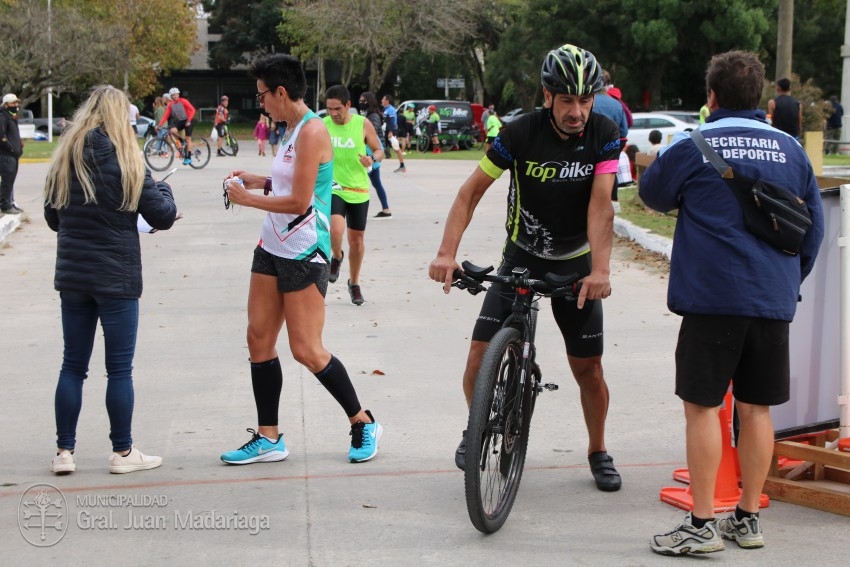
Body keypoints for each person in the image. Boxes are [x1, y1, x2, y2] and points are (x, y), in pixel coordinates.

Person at [640, 50, 824, 556]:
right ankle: (746, 517)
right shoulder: (791, 149)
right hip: (770, 302)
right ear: (764, 99)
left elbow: (652, 196)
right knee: (756, 409)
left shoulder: (693, 144)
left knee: (702, 409)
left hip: (712, 301)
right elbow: (812, 235)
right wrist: (786, 283)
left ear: (711, 97)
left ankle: (701, 524)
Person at [428, 43, 623, 492]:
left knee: (588, 369)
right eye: (568, 100)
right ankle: (478, 425)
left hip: (577, 264)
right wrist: (446, 252)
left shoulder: (605, 133)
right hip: (521, 256)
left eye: (585, 100)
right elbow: (470, 192)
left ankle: (598, 449)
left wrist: (601, 270)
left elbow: (601, 204)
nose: (577, 111)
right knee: (479, 354)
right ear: (548, 95)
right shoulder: (518, 132)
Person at [219, 54, 382, 465]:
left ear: (281, 92)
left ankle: (363, 421)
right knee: (258, 339)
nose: (261, 104)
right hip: (271, 247)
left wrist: (246, 197)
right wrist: (256, 179)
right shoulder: (291, 130)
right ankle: (269, 437)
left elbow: (299, 201)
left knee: (307, 349)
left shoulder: (312, 132)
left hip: (305, 251)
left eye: (262, 96)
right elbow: (289, 180)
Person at [43, 85, 178, 475]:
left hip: (74, 277)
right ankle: (122, 452)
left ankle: (63, 452)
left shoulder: (65, 159)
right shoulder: (127, 160)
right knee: (119, 369)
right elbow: (163, 215)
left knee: (72, 365)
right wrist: (163, 186)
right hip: (116, 278)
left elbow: (54, 219)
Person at [323, 85, 385, 305]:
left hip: (358, 189)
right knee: (335, 229)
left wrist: (372, 159)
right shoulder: (323, 125)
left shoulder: (362, 124)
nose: (333, 113)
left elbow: (379, 150)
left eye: (337, 108)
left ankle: (354, 283)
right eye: (329, 109)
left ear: (348, 105)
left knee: (357, 242)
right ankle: (337, 255)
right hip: (334, 187)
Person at [359, 92, 392, 218]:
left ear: (369, 101)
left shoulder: (373, 116)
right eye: (360, 100)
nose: (361, 102)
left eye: (363, 101)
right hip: (371, 153)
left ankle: (385, 209)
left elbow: (371, 132)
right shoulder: (369, 114)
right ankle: (386, 209)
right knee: (376, 183)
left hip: (372, 153)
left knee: (365, 182)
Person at [159, 87, 196, 165]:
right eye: (173, 95)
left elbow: (193, 110)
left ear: (178, 95)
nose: (175, 96)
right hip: (182, 120)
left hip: (189, 119)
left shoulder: (183, 101)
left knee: (188, 138)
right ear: (171, 97)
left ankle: (188, 157)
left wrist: (189, 120)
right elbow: (165, 115)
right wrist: (159, 125)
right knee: (172, 130)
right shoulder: (171, 104)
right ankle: (181, 141)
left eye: (176, 95)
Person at [0, 93, 23, 215]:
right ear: (6, 104)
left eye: (16, 103)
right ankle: (5, 205)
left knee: (10, 180)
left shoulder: (11, 117)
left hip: (13, 155)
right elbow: (2, 136)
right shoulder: (3, 117)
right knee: (7, 179)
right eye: (13, 103)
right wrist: (12, 148)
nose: (16, 105)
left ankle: (10, 202)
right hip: (6, 155)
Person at [381, 94, 406, 173]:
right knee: (381, 146)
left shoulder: (391, 109)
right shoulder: (386, 109)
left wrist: (391, 132)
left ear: (387, 101)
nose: (382, 100)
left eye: (383, 99)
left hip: (391, 131)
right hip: (387, 130)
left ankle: (402, 166)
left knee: (396, 148)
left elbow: (392, 121)